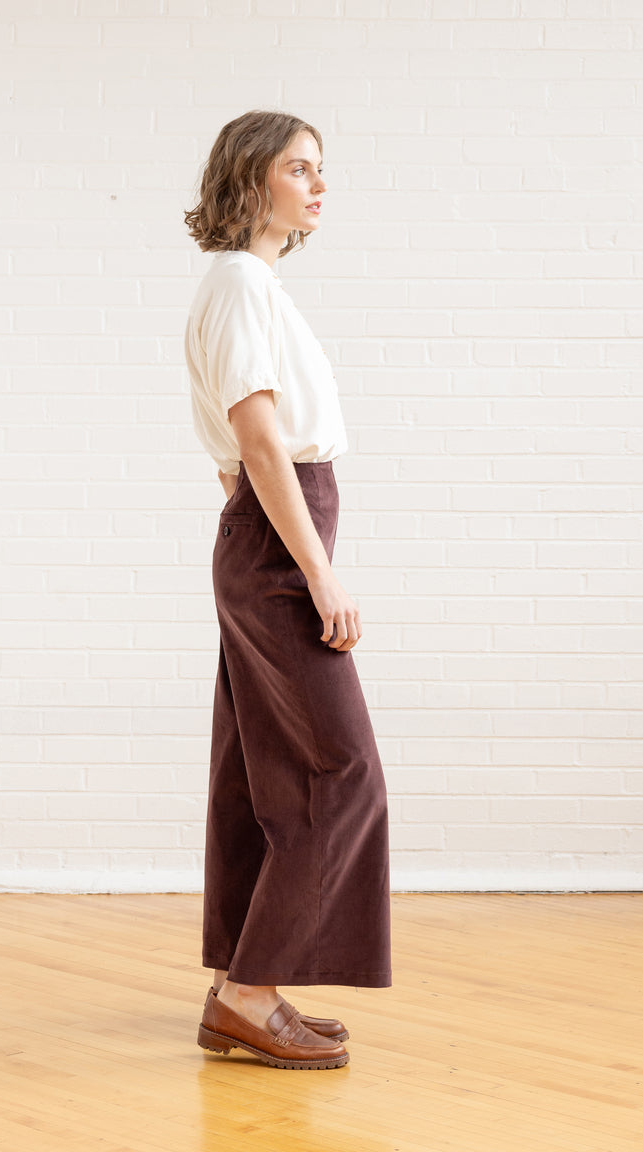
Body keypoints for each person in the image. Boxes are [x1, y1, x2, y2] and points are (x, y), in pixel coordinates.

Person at [183, 109, 391, 1071]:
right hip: (279, 546)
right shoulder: (237, 283)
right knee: (335, 770)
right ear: (250, 177)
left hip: (266, 532)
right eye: (299, 167)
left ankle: (243, 986)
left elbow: (242, 459)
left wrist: (270, 532)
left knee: (265, 771)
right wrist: (315, 569)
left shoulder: (253, 286)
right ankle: (249, 997)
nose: (317, 184)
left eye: (322, 170)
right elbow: (259, 440)